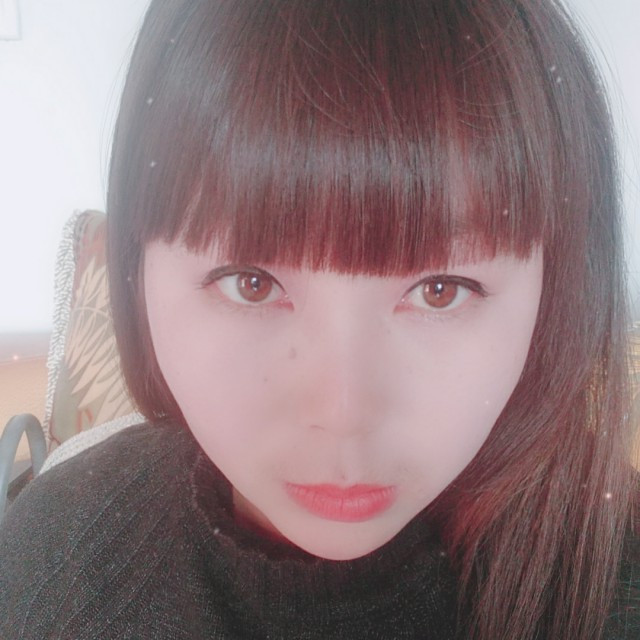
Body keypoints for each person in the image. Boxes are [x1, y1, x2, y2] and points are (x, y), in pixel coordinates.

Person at [1, 0, 638, 638]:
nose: (342, 414)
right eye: (251, 283)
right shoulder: (54, 556)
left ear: (555, 290)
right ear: (138, 272)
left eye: (441, 290)